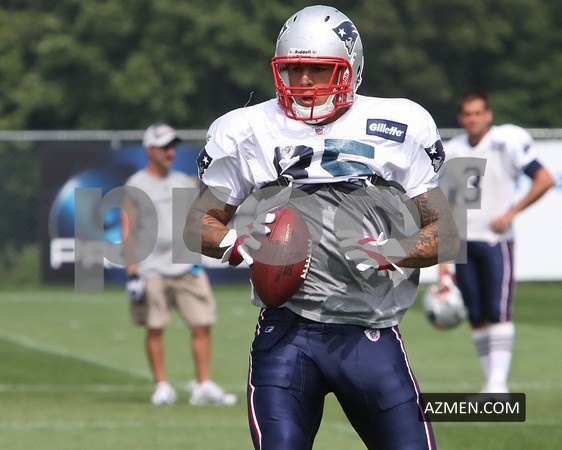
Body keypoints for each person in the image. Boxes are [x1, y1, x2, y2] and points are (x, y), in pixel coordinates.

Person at [185, 5, 459, 449]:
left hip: (368, 330)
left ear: (351, 68)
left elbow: (444, 233)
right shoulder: (247, 129)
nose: (305, 81)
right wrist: (236, 242)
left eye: (318, 68)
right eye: (294, 69)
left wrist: (393, 251)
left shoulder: (399, 123)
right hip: (287, 334)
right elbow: (199, 223)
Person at [438, 89, 555, 395]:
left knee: (497, 309)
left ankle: (498, 384)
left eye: (478, 113)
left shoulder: (506, 142)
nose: (473, 119)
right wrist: (443, 260)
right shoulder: (454, 150)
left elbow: (544, 179)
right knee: (476, 314)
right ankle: (491, 383)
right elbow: (449, 205)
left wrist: (511, 212)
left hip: (495, 239)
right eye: (468, 114)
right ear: (460, 118)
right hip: (464, 240)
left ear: (488, 114)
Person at [121, 123, 237, 406]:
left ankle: (203, 384)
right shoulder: (136, 185)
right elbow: (127, 229)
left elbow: (199, 220)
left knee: (202, 323)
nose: (170, 152)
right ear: (149, 150)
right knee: (155, 327)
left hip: (186, 264)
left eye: (172, 146)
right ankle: (162, 385)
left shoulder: (184, 181)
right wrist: (131, 273)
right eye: (164, 147)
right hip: (150, 267)